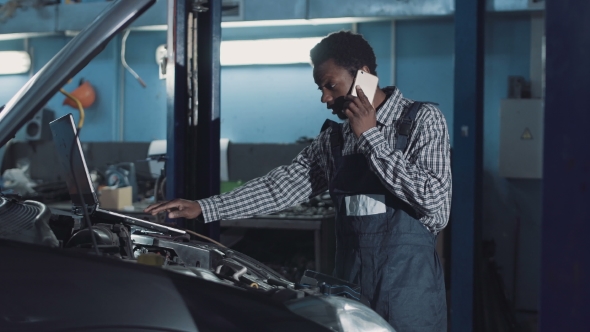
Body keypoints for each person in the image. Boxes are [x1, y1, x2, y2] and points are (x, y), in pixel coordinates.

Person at [145, 31, 451, 331]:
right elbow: (278, 188)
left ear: (364, 75)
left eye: (331, 86)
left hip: (410, 299)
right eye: (320, 88)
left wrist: (371, 138)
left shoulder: (421, 121)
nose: (325, 98)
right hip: (352, 298)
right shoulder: (334, 141)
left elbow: (435, 202)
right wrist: (203, 207)